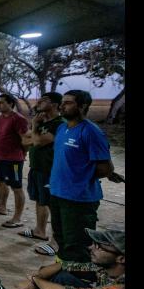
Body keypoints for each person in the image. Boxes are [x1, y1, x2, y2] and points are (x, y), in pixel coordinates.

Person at [48, 90, 121, 262]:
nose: (62, 106)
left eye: (68, 103)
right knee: (62, 240)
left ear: (82, 106)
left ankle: (77, 282)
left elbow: (105, 168)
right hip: (58, 194)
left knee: (77, 245)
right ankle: (63, 276)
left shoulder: (91, 132)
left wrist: (80, 176)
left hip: (78, 200)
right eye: (62, 102)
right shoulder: (62, 128)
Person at [18, 92, 65, 250]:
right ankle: (40, 231)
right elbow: (25, 139)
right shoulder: (43, 122)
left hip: (50, 170)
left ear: (55, 104)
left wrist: (35, 128)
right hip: (36, 167)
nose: (39, 102)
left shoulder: (59, 123)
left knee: (53, 206)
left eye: (44, 100)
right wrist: (35, 133)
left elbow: (37, 142)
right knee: (40, 200)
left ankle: (56, 242)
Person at [0, 93, 29, 228]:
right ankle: (1, 207)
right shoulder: (2, 117)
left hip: (13, 159)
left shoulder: (18, 119)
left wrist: (23, 154)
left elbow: (25, 140)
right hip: (0, 156)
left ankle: (17, 218)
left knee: (17, 187)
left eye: (2, 102)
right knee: (1, 182)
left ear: (11, 104)